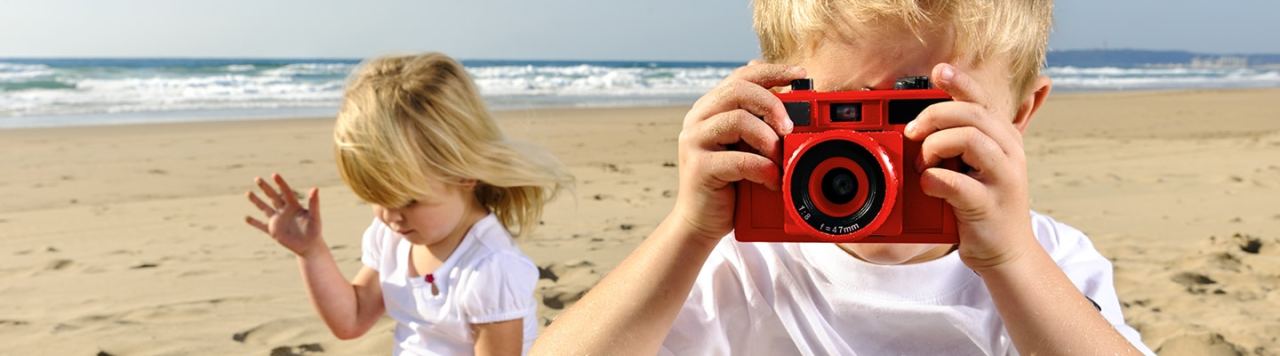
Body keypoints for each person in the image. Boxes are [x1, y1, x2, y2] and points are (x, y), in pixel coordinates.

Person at [532, 1, 1154, 355]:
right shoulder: (744, 266)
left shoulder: (1052, 263)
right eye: (840, 115)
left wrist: (1013, 259)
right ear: (774, 100)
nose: (875, 151)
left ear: (1018, 116)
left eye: (919, 112)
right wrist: (689, 229)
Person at [244, 53, 570, 355]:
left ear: (465, 173)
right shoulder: (392, 238)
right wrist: (311, 252)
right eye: (376, 199)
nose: (391, 217)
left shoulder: (489, 269)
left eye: (408, 201)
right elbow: (352, 319)